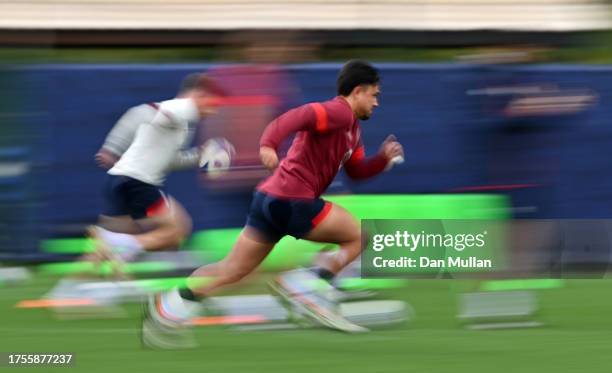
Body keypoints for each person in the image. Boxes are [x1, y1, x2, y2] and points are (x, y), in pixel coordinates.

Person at [142, 60, 404, 347]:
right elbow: (291, 119)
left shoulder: (352, 131)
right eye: (374, 95)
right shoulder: (337, 111)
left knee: (232, 270)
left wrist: (382, 160)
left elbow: (357, 171)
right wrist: (267, 145)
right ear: (357, 91)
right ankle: (306, 284)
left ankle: (168, 306)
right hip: (293, 200)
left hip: (268, 200)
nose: (377, 103)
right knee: (358, 236)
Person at [88, 73, 227, 271]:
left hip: (120, 180)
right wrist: (114, 145)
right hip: (138, 184)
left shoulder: (185, 122)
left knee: (103, 246)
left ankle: (69, 289)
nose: (213, 111)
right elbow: (145, 112)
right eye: (212, 103)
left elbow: (169, 159)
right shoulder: (185, 108)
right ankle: (125, 246)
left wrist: (200, 154)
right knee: (178, 229)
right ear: (200, 95)